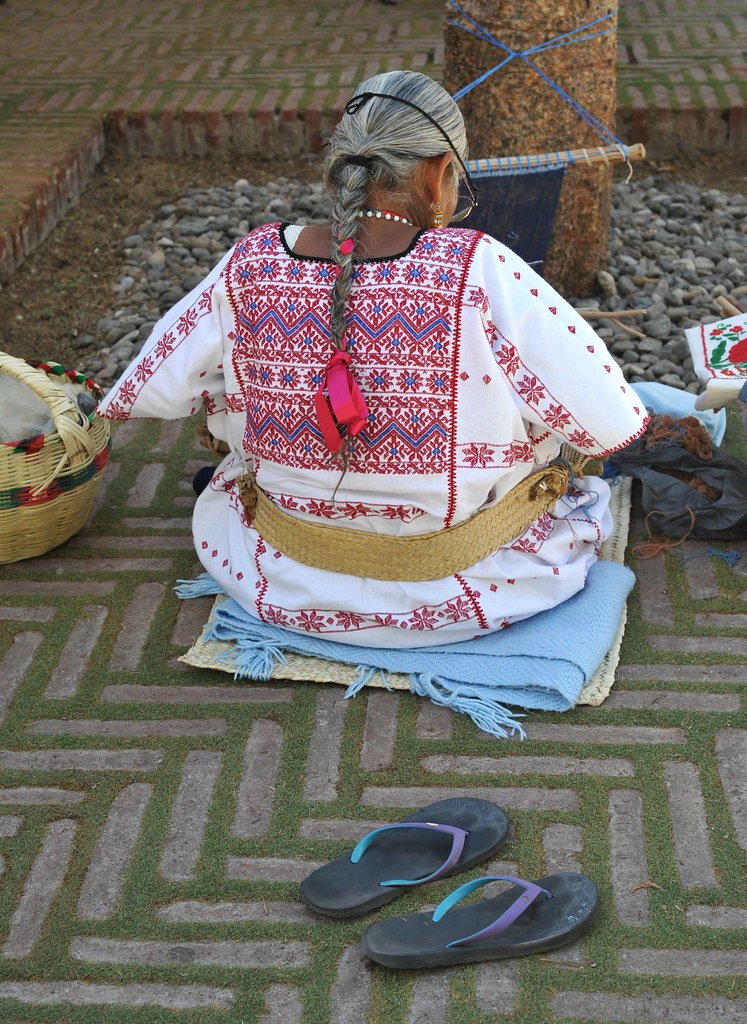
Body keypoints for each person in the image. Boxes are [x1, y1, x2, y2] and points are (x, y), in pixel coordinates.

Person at [98, 70, 647, 649]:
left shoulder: (249, 263)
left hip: (279, 581)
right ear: (437, 175)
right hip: (465, 595)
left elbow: (148, 388)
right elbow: (609, 423)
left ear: (341, 168)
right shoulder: (479, 269)